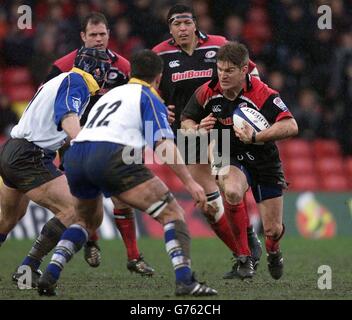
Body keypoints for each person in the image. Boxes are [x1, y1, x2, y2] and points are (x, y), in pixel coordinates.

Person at [37, 49, 218, 297]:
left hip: (77, 154)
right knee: (172, 212)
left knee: (85, 221)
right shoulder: (148, 97)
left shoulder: (108, 96)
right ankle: (185, 281)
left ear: (131, 73)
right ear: (158, 77)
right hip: (110, 153)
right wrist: (190, 183)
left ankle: (50, 274)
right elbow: (163, 144)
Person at [36, 12, 154, 275]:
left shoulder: (123, 67)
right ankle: (92, 241)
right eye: (93, 35)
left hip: (113, 140)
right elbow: (45, 98)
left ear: (109, 35)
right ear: (82, 36)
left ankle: (133, 257)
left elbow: (138, 98)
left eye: (102, 34)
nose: (99, 39)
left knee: (122, 198)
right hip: (74, 141)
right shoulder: (64, 65)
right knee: (83, 200)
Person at [152, 4, 261, 279]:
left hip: (221, 128)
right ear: (170, 28)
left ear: (196, 24)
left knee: (229, 189)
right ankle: (242, 254)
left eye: (187, 23)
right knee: (210, 205)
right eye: (177, 24)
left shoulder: (218, 45)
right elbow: (144, 89)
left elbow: (252, 72)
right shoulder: (160, 54)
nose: (183, 28)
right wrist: (158, 106)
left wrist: (249, 103)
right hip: (188, 132)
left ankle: (248, 241)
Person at [181, 42, 299, 280]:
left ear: (244, 70)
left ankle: (273, 251)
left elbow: (291, 125)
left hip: (263, 157)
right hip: (226, 149)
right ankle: (245, 258)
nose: (222, 75)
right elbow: (186, 119)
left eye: (229, 71)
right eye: (220, 69)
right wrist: (197, 129)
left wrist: (257, 136)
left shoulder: (262, 92)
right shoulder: (207, 91)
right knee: (233, 192)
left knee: (272, 230)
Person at [0, 47, 111, 287]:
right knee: (76, 209)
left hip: (12, 151)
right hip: (30, 157)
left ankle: (27, 269)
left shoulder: (60, 80)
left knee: (7, 219)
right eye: (105, 72)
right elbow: (68, 116)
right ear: (98, 70)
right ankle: (28, 268)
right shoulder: (77, 81)